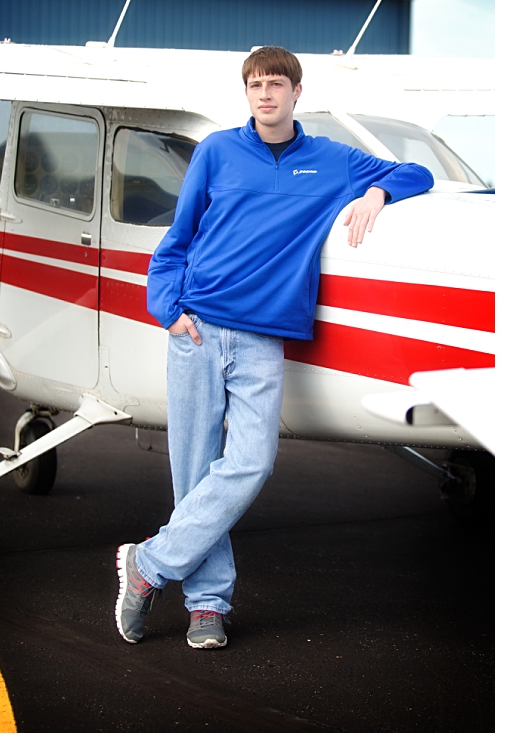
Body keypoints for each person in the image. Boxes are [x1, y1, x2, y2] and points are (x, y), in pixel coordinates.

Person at [116, 46, 433, 649]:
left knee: (251, 462)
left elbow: (414, 173)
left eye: (276, 84)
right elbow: (177, 240)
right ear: (247, 95)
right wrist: (170, 312)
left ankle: (148, 565)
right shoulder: (217, 151)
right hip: (198, 326)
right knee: (194, 470)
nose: (266, 94)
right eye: (256, 85)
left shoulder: (331, 161)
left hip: (264, 335)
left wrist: (376, 195)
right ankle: (207, 605)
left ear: (296, 93)